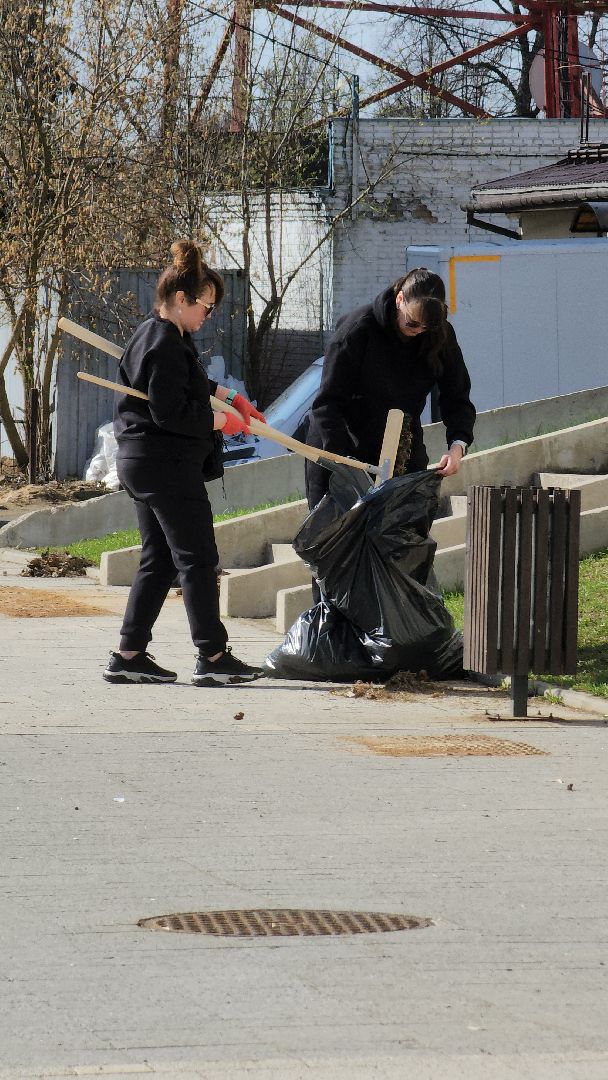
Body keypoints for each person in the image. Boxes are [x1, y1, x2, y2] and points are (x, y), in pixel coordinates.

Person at [103, 240, 266, 687]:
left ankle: (129, 653)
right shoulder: (167, 344)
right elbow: (170, 411)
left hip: (142, 462)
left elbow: (186, 383)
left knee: (159, 559)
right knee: (198, 557)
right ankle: (212, 656)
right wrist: (221, 422)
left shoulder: (155, 334)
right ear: (180, 300)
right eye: (205, 307)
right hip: (164, 463)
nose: (207, 316)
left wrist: (228, 397)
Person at [305, 266, 476, 515]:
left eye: (425, 328)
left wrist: (457, 445)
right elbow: (326, 403)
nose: (418, 331)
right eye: (412, 323)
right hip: (343, 443)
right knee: (343, 541)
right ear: (399, 300)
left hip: (402, 442)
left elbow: (457, 396)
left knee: (407, 533)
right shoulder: (358, 330)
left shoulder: (439, 335)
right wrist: (344, 463)